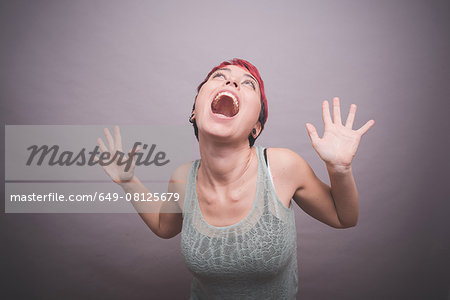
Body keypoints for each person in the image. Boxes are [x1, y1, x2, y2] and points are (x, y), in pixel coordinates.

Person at [97, 58, 375, 299]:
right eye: (220, 77)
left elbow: (344, 217)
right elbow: (163, 225)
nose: (231, 83)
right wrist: (127, 180)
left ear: (257, 126)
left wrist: (340, 170)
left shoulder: (282, 166)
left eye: (247, 83)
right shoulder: (182, 179)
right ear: (195, 110)